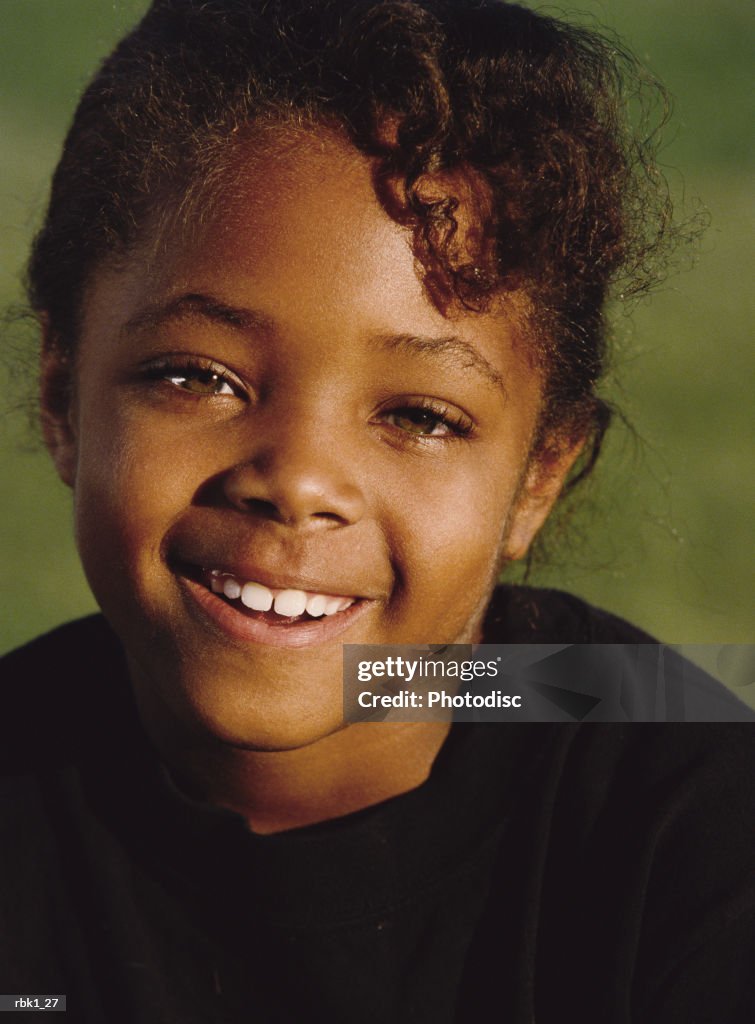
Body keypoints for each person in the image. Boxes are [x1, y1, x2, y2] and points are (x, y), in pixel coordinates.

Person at [0, 1, 752, 1021]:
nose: (298, 480)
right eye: (197, 376)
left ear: (537, 474)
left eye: (418, 416)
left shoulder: (692, 802)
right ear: (61, 392)